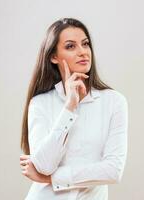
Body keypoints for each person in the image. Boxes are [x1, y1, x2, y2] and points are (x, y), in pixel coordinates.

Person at [19, 18, 128, 200]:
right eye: (71, 46)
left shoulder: (114, 102)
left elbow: (113, 170)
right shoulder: (40, 103)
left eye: (85, 44)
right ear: (53, 56)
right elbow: (44, 164)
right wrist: (69, 108)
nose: (82, 52)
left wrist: (51, 178)